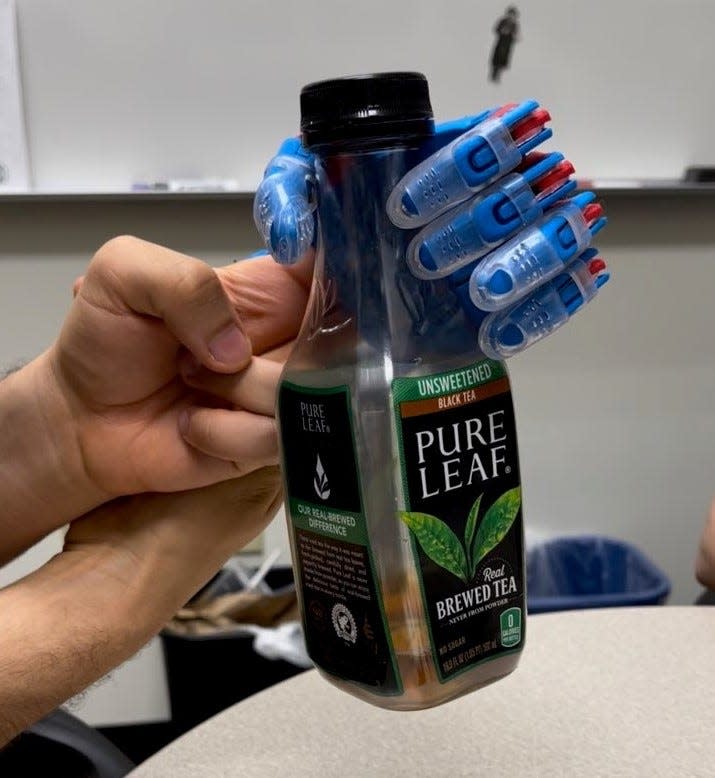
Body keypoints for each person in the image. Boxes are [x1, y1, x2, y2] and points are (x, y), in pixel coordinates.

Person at [490, 6, 520, 83]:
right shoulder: (502, 21)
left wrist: (513, 36)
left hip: (508, 44)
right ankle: (493, 75)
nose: (511, 16)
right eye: (510, 14)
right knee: (497, 59)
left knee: (503, 60)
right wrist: (502, 31)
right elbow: (496, 29)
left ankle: (498, 76)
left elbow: (516, 35)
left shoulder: (515, 24)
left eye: (513, 15)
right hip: (501, 42)